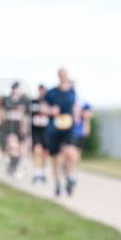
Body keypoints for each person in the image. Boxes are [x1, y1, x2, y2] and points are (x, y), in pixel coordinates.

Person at [43, 69, 79, 197]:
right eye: (62, 75)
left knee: (71, 152)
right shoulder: (51, 93)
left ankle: (69, 176)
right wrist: (50, 110)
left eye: (66, 75)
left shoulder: (72, 91)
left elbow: (75, 106)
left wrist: (76, 115)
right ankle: (58, 183)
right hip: (54, 127)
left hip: (69, 126)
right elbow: (43, 107)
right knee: (56, 158)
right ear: (59, 76)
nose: (64, 78)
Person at [0, 82, 30, 178]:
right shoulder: (6, 100)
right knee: (12, 145)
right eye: (16, 89)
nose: (17, 91)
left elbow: (26, 115)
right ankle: (12, 164)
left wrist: (24, 127)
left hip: (19, 125)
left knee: (19, 147)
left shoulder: (24, 100)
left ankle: (15, 164)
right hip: (9, 125)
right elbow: (2, 112)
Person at [28, 84, 51, 184]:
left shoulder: (50, 102)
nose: (43, 92)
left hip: (46, 131)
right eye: (41, 90)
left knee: (45, 153)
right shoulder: (33, 102)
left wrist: (47, 111)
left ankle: (42, 172)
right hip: (36, 131)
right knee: (37, 150)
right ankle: (37, 173)